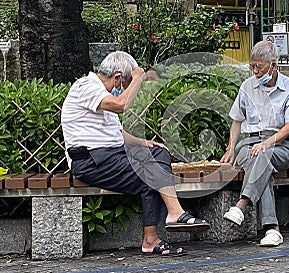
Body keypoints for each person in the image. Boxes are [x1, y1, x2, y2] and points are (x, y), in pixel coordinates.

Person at [61, 51, 210, 256]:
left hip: (110, 157)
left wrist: (144, 143)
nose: (127, 90)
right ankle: (172, 216)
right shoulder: (85, 86)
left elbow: (117, 134)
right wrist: (138, 77)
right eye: (126, 84)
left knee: (158, 156)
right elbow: (121, 105)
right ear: (118, 78)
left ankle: (153, 238)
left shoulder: (101, 95)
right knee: (152, 172)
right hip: (91, 161)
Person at [220, 41, 289, 247]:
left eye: (260, 66)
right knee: (261, 163)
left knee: (263, 156)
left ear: (274, 65)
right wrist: (231, 147)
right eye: (253, 66)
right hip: (249, 143)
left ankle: (242, 204)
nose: (255, 71)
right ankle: (272, 229)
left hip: (280, 145)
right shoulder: (247, 86)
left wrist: (267, 143)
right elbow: (237, 120)